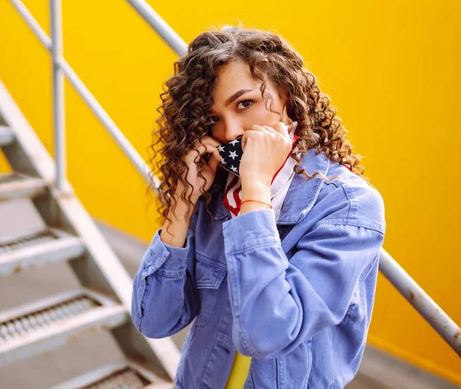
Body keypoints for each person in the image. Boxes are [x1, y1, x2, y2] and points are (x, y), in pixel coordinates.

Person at [131, 26, 386, 388]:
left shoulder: (348, 207)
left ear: (286, 93)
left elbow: (269, 333)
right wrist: (183, 204)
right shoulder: (216, 191)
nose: (230, 131)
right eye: (213, 118)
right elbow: (154, 320)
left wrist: (255, 191)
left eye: (244, 103)